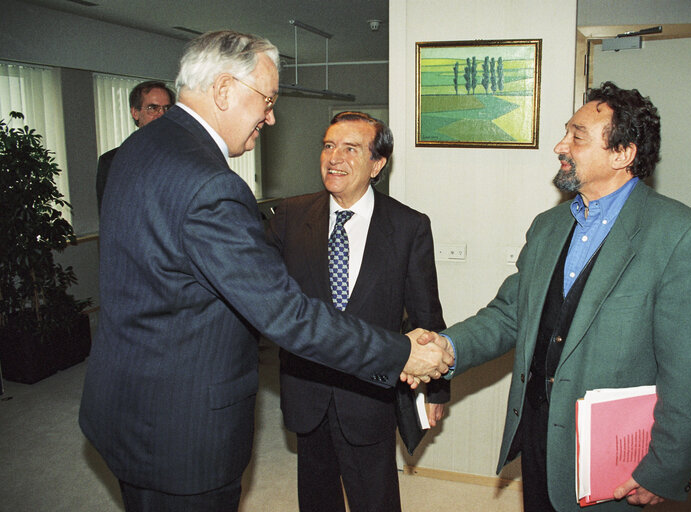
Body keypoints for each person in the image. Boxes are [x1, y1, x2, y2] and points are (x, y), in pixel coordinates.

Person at [79, 31, 452, 512]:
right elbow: (286, 312)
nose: (271, 117)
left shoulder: (137, 150)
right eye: (268, 99)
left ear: (378, 163)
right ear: (224, 90)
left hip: (131, 406)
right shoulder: (212, 184)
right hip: (182, 429)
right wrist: (402, 351)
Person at [412, 82, 691, 511]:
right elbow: (508, 316)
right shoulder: (547, 226)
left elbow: (686, 372)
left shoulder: (680, 236)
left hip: (615, 456)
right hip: (537, 430)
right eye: (566, 132)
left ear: (622, 154)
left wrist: (666, 467)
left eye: (577, 136)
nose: (561, 145)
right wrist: (446, 347)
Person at [267, 111, 449, 512]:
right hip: (306, 386)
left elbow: (426, 313)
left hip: (370, 391)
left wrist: (437, 386)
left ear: (377, 163)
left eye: (351, 148)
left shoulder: (408, 226)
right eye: (329, 146)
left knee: (376, 498)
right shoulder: (290, 216)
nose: (335, 158)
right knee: (316, 497)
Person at [95, 80, 175, 212]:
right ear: (135, 113)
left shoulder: (184, 157)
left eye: (167, 108)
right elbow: (109, 216)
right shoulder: (112, 162)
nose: (161, 114)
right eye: (153, 108)